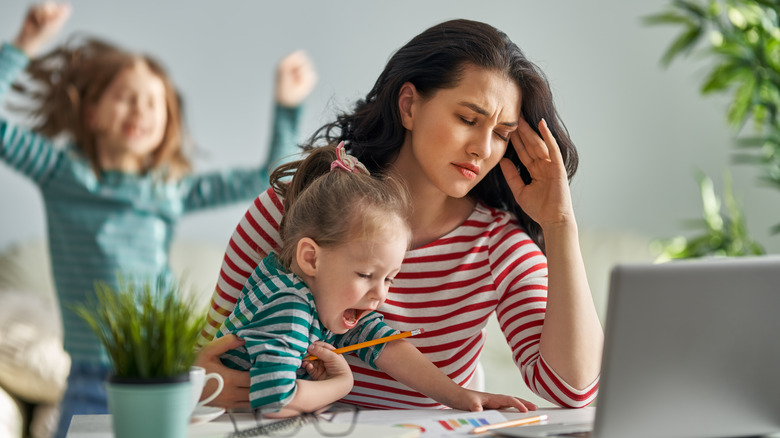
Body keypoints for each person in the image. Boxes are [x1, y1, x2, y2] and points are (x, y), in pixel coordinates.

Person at [196, 18, 603, 410]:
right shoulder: (294, 208)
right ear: (408, 106)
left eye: (501, 134)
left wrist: (560, 225)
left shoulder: (497, 246)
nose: (483, 148)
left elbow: (572, 390)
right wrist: (203, 384)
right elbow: (204, 351)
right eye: (467, 119)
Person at [0, 3, 316, 436]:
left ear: (167, 122)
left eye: (153, 102)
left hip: (168, 371)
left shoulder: (168, 189)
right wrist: (24, 45)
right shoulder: (61, 174)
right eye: (125, 96)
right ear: (91, 113)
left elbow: (271, 177)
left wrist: (287, 105)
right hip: (93, 377)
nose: (140, 109)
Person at [217, 142, 532, 415]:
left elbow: (384, 343)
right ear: (311, 258)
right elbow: (274, 401)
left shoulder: (320, 296)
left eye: (389, 279)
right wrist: (341, 384)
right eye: (366, 275)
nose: (380, 295)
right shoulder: (289, 308)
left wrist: (459, 395)